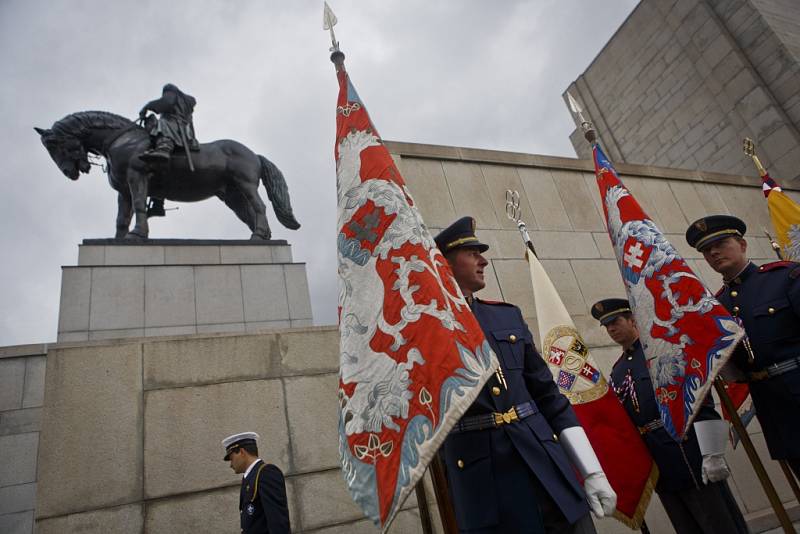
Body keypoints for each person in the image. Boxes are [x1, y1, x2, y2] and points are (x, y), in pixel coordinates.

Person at [435, 216, 616, 534]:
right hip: (485, 487)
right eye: (472, 253)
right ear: (444, 263)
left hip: (547, 468)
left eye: (482, 252)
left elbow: (550, 397)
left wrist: (591, 471)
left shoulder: (506, 315)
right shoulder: (426, 333)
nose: (483, 260)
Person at [592, 298, 749, 533]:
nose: (611, 329)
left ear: (633, 320)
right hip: (658, 459)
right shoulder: (619, 370)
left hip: (688, 451)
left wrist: (712, 451)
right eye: (607, 326)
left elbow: (700, 402)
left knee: (717, 522)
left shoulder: (663, 353)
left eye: (615, 322)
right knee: (685, 524)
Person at [687, 214, 800, 478]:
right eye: (706, 250)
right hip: (773, 406)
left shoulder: (785, 277)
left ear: (742, 244)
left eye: (722, 243)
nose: (714, 252)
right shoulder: (718, 308)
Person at [138, 83, 199, 217]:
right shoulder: (185, 101)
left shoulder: (171, 92)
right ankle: (157, 203)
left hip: (175, 126)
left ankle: (164, 148)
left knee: (162, 124)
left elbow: (167, 102)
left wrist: (147, 107)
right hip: (184, 128)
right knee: (158, 169)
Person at [222, 432, 291, 534]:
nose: (231, 465)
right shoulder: (249, 477)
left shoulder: (266, 473)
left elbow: (278, 521)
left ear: (241, 452)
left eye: (231, 458)